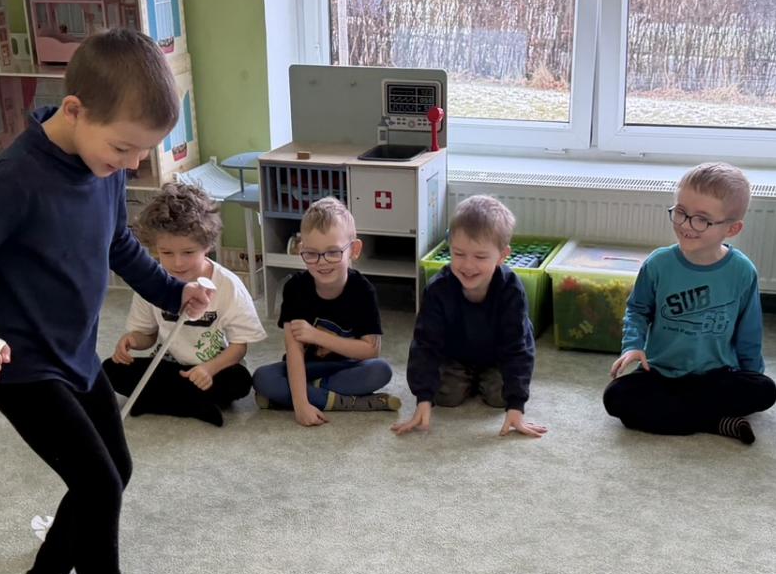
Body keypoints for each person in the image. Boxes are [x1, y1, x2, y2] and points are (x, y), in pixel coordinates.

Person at [0, 28, 213, 574]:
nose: (130, 165)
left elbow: (117, 244)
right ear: (76, 110)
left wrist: (172, 293)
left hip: (74, 353)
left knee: (114, 469)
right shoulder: (17, 178)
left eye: (141, 152)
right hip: (22, 367)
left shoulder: (99, 165)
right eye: (123, 148)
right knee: (97, 481)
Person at [603, 162, 775, 445]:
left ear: (732, 228)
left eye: (702, 220)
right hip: (661, 372)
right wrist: (633, 345)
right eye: (681, 212)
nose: (685, 225)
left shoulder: (742, 271)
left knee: (765, 391)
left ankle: (685, 413)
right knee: (616, 398)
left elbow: (749, 330)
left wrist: (750, 376)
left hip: (717, 375)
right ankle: (715, 421)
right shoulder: (658, 264)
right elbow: (638, 310)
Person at [103, 180, 264, 426]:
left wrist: (209, 368)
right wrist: (132, 340)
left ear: (207, 245)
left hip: (211, 369)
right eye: (166, 253)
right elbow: (147, 335)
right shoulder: (152, 282)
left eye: (188, 252)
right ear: (155, 248)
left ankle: (156, 401)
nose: (177, 263)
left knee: (240, 381)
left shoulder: (228, 286)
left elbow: (239, 347)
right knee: (111, 369)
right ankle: (192, 405)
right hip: (168, 366)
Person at [393, 195, 546, 439]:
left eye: (480, 257)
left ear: (502, 255)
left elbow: (518, 348)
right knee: (445, 396)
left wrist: (516, 406)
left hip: (497, 357)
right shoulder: (438, 289)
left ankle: (484, 380)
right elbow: (425, 344)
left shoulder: (511, 290)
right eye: (459, 253)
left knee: (500, 397)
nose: (468, 265)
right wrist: (423, 399)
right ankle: (467, 379)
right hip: (455, 355)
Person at [251, 196, 397, 423]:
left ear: (354, 250)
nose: (322, 262)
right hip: (306, 368)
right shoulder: (295, 288)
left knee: (381, 370)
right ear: (301, 250)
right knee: (262, 378)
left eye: (333, 252)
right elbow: (294, 350)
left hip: (347, 367)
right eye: (311, 253)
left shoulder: (363, 290)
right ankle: (344, 401)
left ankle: (291, 397)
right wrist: (301, 406)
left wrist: (316, 336)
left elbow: (370, 350)